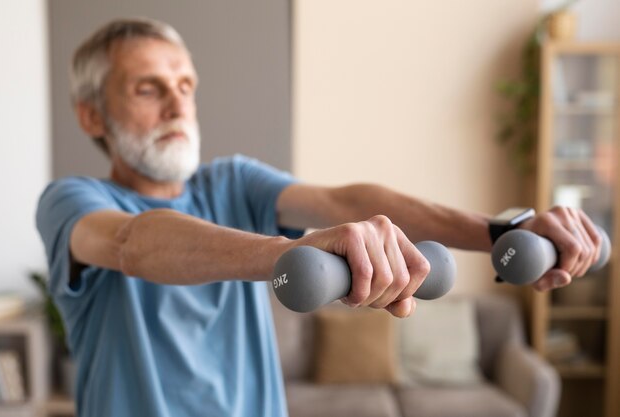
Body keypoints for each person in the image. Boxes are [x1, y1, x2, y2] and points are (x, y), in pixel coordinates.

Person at [36, 17, 603, 417]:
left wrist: (501, 232)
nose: (178, 104)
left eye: (185, 86)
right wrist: (289, 257)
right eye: (148, 88)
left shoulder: (230, 181)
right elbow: (133, 243)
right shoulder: (71, 200)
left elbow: (344, 203)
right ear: (91, 115)